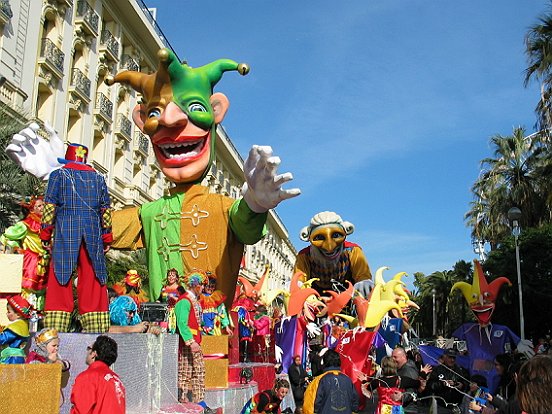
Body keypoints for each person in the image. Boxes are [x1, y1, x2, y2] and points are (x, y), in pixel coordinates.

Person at [40, 143, 113, 333]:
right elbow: (105, 211)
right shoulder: (98, 178)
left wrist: (45, 233)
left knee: (60, 278)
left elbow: (49, 207)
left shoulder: (59, 175)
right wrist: (107, 237)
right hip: (93, 233)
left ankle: (56, 328)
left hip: (66, 230)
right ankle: (96, 328)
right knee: (93, 278)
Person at [295, 211, 372, 296]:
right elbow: (299, 279)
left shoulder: (353, 250)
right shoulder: (304, 256)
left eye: (336, 235)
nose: (329, 247)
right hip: (316, 298)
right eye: (319, 238)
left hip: (348, 295)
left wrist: (363, 281)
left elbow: (362, 275)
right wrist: (296, 285)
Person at [1, 196, 48, 309]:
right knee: (29, 288)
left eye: (43, 205)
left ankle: (39, 314)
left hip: (46, 261)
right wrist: (13, 248)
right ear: (32, 209)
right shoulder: (25, 225)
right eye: (39, 206)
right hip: (31, 262)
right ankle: (25, 312)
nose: (42, 208)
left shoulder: (49, 223)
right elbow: (8, 236)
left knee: (42, 291)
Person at [175, 269, 211, 411]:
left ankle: (199, 402)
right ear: (195, 284)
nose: (203, 288)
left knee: (196, 372)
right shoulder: (184, 301)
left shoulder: (193, 300)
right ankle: (183, 399)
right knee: (187, 372)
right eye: (201, 285)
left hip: (194, 342)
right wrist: (191, 342)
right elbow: (182, 324)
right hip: (188, 344)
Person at [70, 335, 125, 414]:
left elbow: (81, 410)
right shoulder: (117, 380)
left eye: (89, 348)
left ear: (94, 353)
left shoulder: (88, 377)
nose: (87, 351)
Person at [303, 349, 359, 414]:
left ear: (324, 362)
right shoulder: (348, 380)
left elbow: (309, 407)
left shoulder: (318, 381)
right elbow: (355, 405)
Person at [427, 348, 469, 413]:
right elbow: (430, 385)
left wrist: (461, 385)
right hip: (441, 406)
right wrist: (442, 384)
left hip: (457, 406)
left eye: (454, 358)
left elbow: (467, 384)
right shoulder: (437, 370)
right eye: (450, 357)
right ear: (444, 357)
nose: (452, 360)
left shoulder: (460, 370)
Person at [392, 346, 432, 412]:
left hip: (408, 409)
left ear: (403, 357)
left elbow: (413, 390)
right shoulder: (401, 368)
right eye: (392, 357)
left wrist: (402, 397)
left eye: (395, 357)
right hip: (402, 407)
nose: (393, 359)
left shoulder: (408, 370)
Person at [0, 294, 33, 364]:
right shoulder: (23, 325)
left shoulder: (16, 327)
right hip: (17, 357)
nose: (6, 314)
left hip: (12, 358)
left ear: (18, 315)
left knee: (10, 374)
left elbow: (4, 338)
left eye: (9, 312)